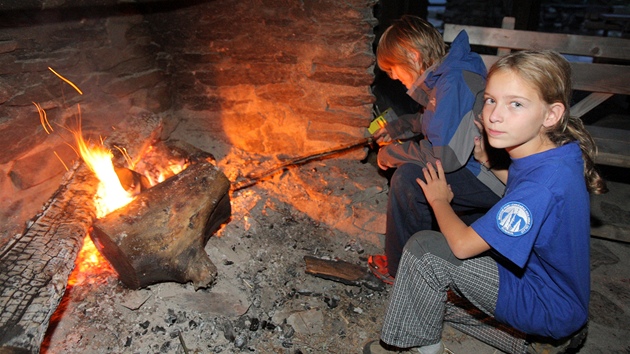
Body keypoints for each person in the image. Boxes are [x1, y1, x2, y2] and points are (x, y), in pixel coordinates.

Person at [363, 50, 607, 354]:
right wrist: (490, 164)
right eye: (491, 99)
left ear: (551, 114)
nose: (494, 115)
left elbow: (463, 246)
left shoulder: (542, 184)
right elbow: (524, 189)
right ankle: (535, 342)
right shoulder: (551, 153)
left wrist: (440, 201)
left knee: (426, 250)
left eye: (516, 104)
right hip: (554, 295)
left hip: (546, 305)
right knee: (428, 298)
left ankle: (420, 347)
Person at [368, 15, 505, 284]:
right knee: (413, 170)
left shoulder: (452, 82)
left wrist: (392, 154)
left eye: (393, 69)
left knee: (409, 178)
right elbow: (438, 123)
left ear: (413, 55)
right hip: (473, 167)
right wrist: (401, 126)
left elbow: (446, 157)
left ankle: (402, 270)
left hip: (490, 179)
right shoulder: (446, 76)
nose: (393, 78)